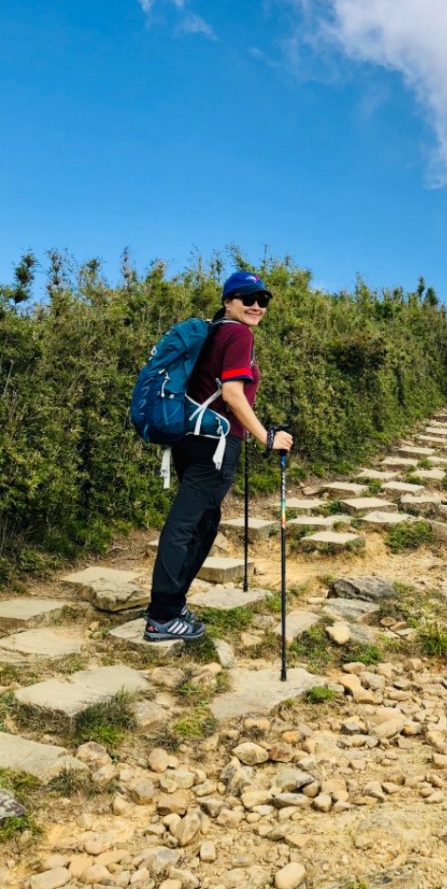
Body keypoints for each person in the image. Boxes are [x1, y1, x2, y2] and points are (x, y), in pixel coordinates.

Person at [144, 270, 293, 642]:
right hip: (215, 445)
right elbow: (232, 394)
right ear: (228, 301)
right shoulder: (239, 333)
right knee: (187, 524)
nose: (256, 305)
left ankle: (172, 605)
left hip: (189, 440)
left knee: (205, 523)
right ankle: (162, 615)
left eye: (263, 300)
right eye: (247, 298)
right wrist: (266, 438)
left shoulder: (213, 332)